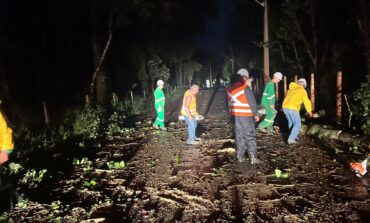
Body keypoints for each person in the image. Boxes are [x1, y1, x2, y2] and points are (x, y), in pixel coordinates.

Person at [227, 68, 260, 164]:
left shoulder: (230, 88)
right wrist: (256, 114)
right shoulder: (245, 88)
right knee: (250, 135)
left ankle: (240, 156)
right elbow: (252, 102)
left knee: (239, 135)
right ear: (243, 77)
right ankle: (253, 158)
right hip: (246, 115)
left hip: (235, 115)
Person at [282, 78, 313, 144]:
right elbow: (306, 101)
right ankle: (291, 139)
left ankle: (293, 135)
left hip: (285, 108)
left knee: (291, 122)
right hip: (293, 108)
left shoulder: (291, 89)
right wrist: (309, 111)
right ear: (304, 85)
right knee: (298, 124)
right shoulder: (302, 90)